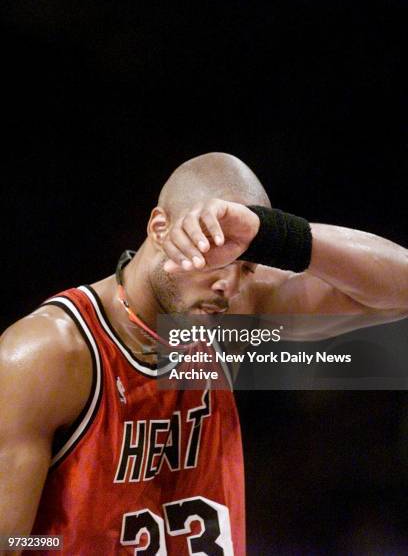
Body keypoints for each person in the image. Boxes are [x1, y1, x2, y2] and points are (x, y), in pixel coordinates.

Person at [0, 152, 407, 555]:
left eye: (246, 266)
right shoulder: (47, 354)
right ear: (160, 227)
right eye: (216, 253)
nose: (228, 285)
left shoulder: (230, 315)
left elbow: (400, 292)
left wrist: (276, 234)